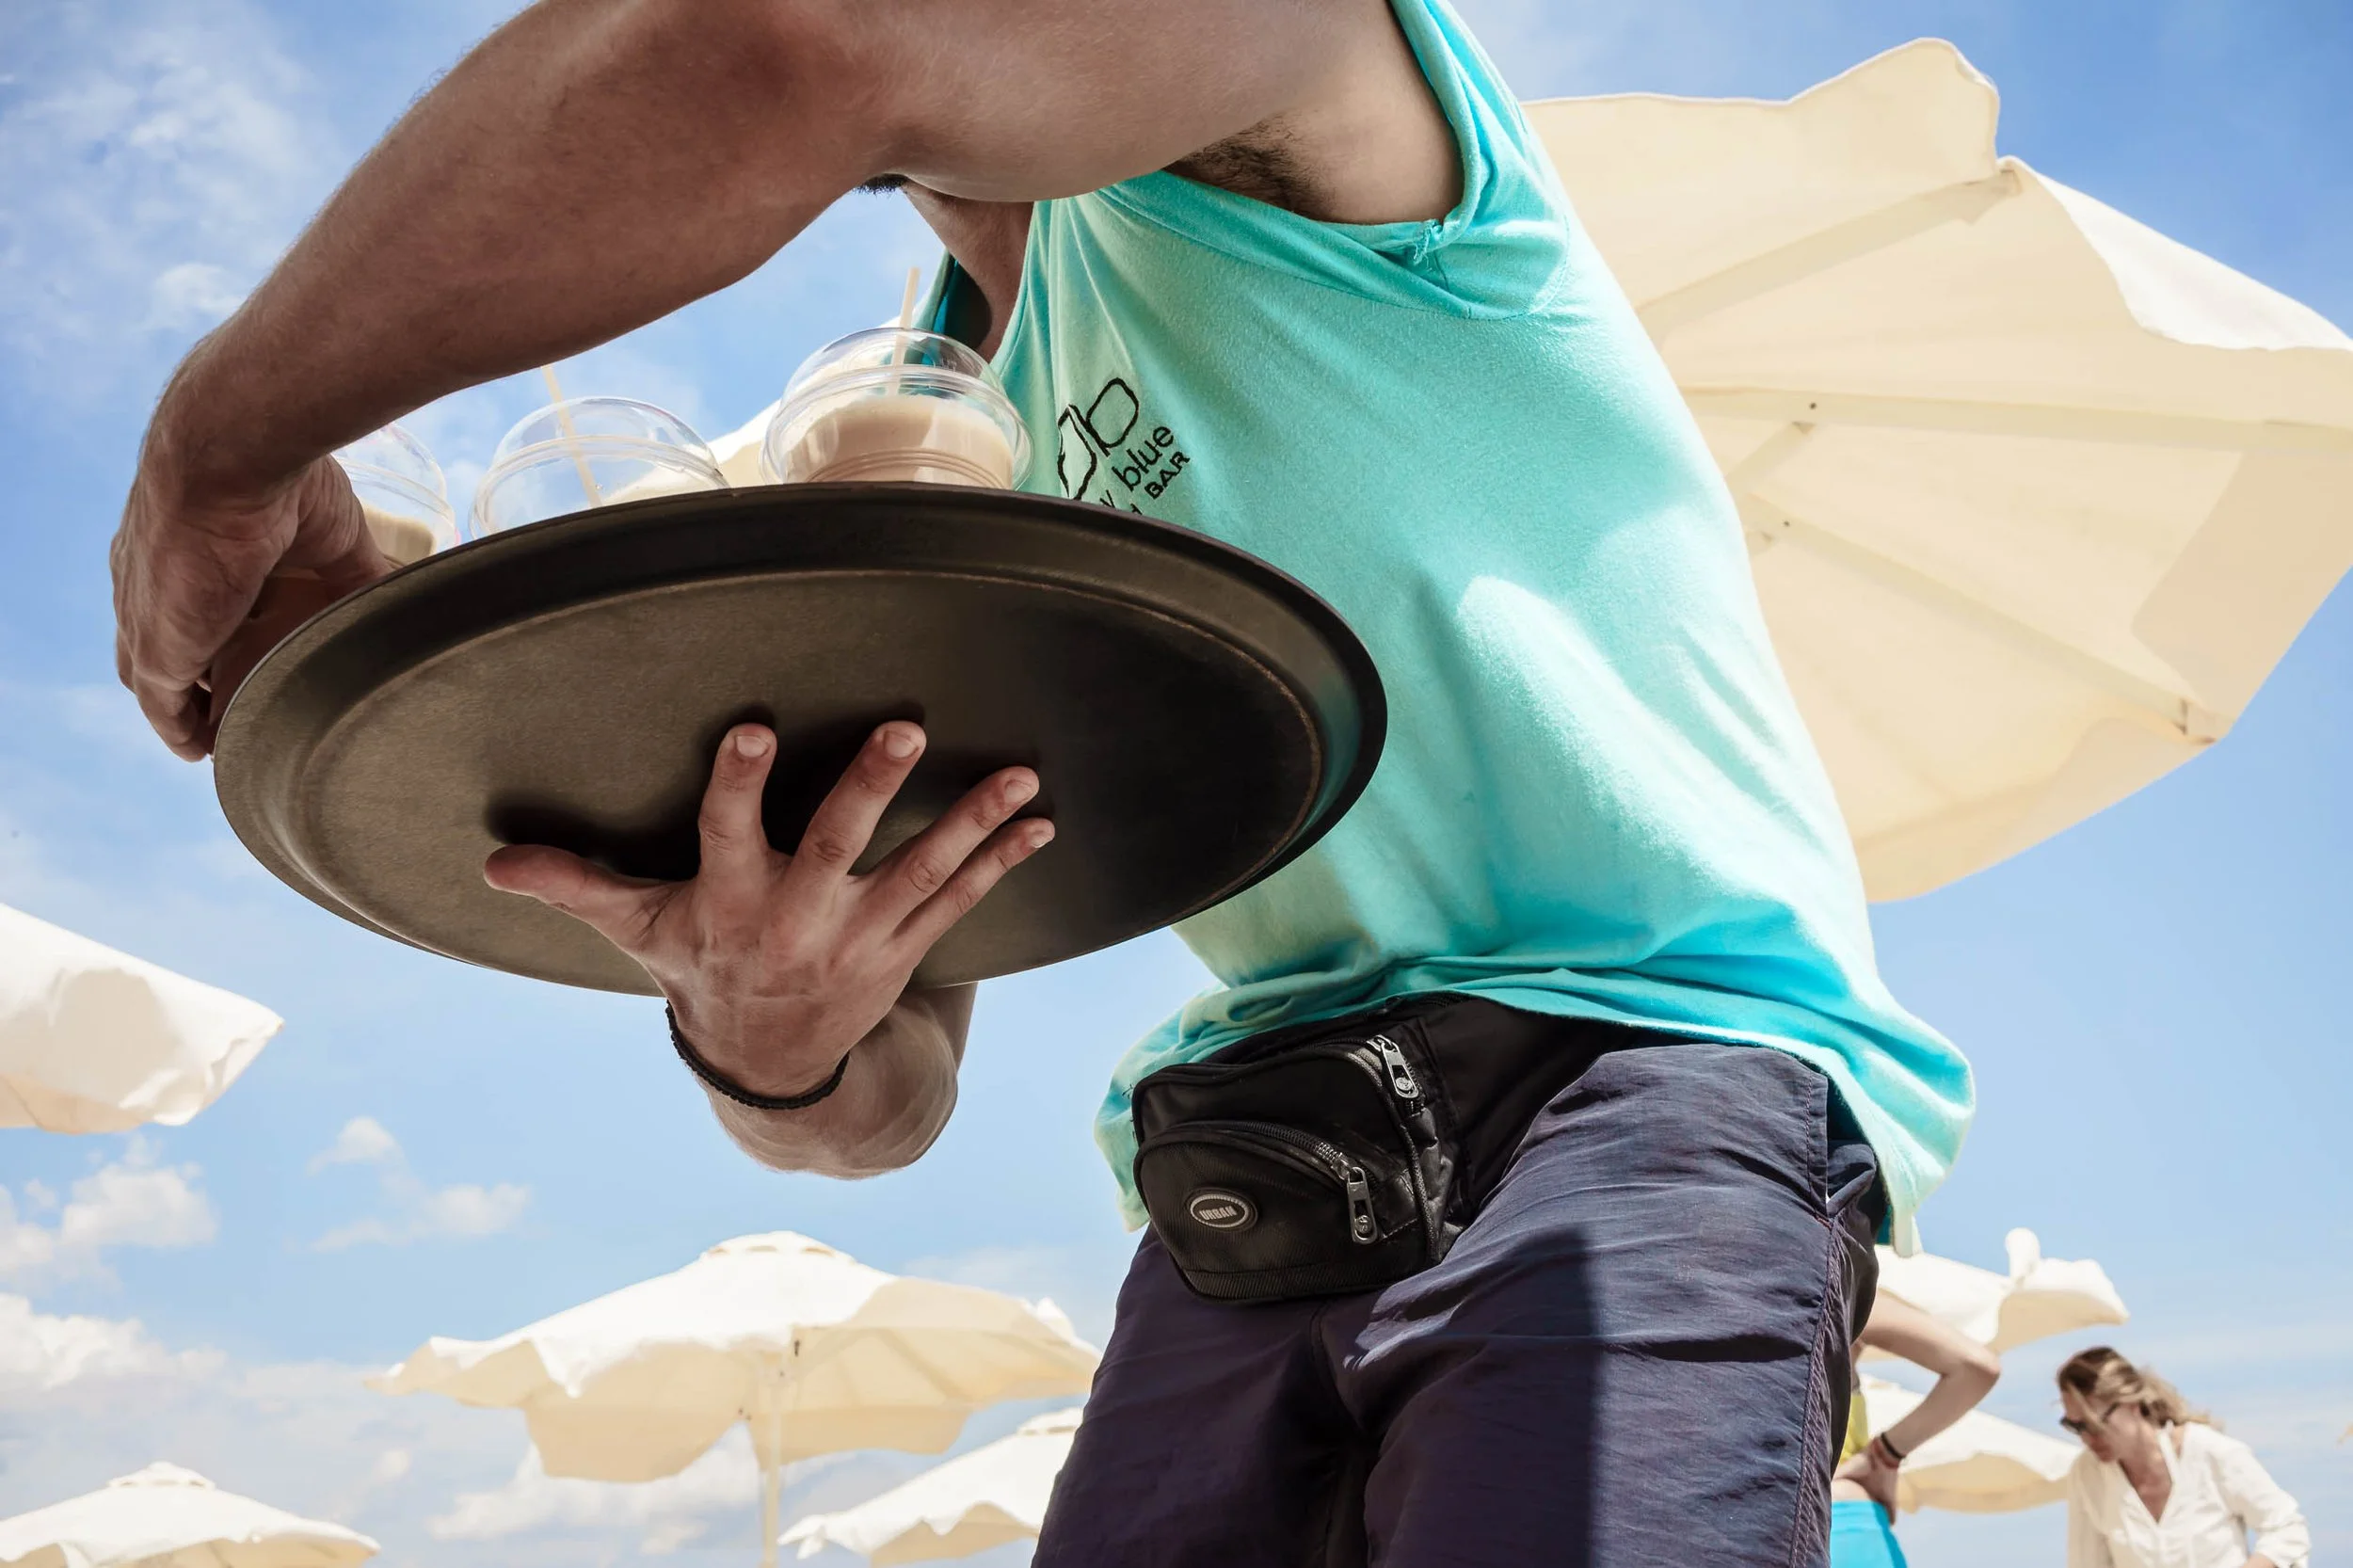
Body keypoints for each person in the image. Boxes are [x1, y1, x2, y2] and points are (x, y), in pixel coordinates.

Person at [108, 0, 1974, 1560]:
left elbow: (788, 39)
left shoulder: (1311, 88)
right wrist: (769, 1027)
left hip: (1634, 1081)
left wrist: (222, 443)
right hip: (1255, 1153)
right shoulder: (915, 419)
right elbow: (880, 1098)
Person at [2059, 1347, 2311, 1568]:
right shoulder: (2087, 1475)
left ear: (2131, 1403)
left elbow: (2287, 1528)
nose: (2087, 1438)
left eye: (2095, 1424)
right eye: (2076, 1427)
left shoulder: (2209, 1452)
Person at [1828, 1295, 2002, 1568]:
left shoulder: (1737, 1300)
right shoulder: (1840, 1292)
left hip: (1753, 1528)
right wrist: (1885, 1453)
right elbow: (1977, 1367)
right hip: (1848, 1523)